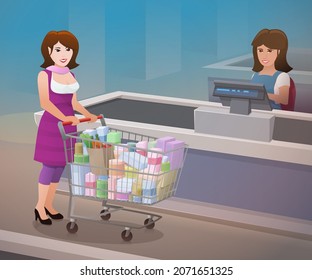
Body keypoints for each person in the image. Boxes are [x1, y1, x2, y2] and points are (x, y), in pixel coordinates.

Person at [34, 30, 98, 225]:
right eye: (59, 49)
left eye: (68, 49)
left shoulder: (71, 74)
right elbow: (45, 103)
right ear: (48, 51)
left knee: (60, 166)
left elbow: (74, 102)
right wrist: (66, 118)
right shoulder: (44, 75)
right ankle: (39, 206)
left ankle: (49, 205)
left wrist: (87, 114)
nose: (64, 54)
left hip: (68, 126)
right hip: (53, 125)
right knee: (49, 165)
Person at [251, 28, 293, 110]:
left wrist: (262, 94)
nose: (264, 55)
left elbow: (284, 99)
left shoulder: (282, 76)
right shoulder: (254, 75)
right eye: (260, 50)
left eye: (269, 51)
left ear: (279, 52)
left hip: (273, 114)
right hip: (254, 112)